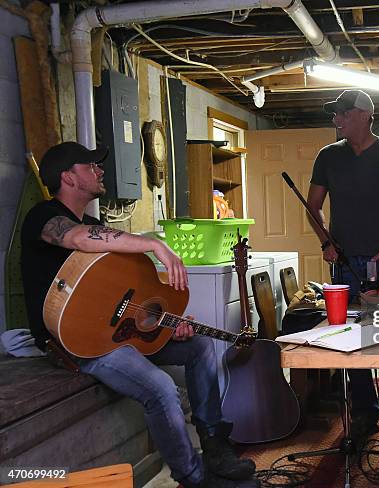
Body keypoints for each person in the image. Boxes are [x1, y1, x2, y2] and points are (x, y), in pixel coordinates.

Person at [21, 142, 259, 488]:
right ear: (68, 177)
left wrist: (161, 323)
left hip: (115, 331)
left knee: (200, 348)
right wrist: (154, 244)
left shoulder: (93, 221)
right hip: (78, 342)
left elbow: (125, 296)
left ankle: (215, 444)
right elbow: (79, 239)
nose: (100, 170)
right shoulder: (43, 217)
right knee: (161, 389)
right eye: (91, 165)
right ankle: (194, 478)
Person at [306, 90, 379, 437]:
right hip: (343, 263)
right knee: (348, 338)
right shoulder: (328, 156)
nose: (335, 120)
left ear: (362, 115)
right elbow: (313, 207)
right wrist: (326, 241)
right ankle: (365, 412)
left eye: (340, 114)